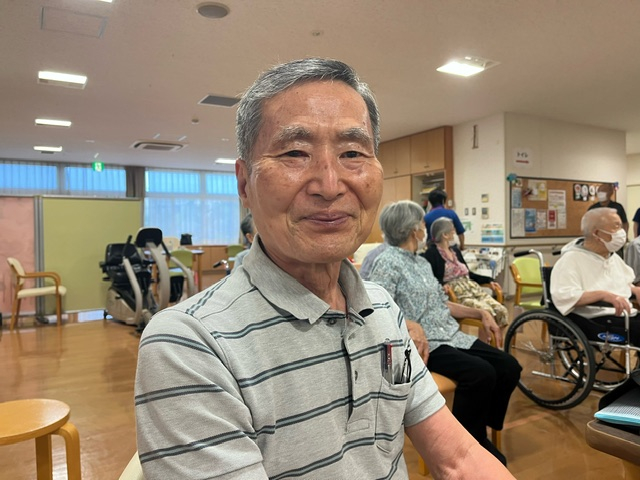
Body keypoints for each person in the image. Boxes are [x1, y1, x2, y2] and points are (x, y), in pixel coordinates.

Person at [134, 58, 514, 479]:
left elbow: (459, 458)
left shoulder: (384, 312)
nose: (330, 185)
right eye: (295, 153)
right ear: (244, 183)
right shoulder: (189, 345)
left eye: (352, 153)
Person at [367, 200, 521, 466]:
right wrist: (410, 325)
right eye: (421, 223)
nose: (424, 228)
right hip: (424, 344)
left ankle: (477, 430)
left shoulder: (422, 263)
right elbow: (378, 311)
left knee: (509, 366)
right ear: (412, 229)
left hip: (450, 334)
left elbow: (441, 303)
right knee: (480, 373)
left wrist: (479, 313)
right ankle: (465, 445)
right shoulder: (387, 262)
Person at [551, 208, 640, 345]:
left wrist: (634, 289)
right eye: (616, 226)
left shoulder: (611, 257)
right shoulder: (571, 260)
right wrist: (603, 295)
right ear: (597, 233)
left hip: (625, 314)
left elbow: (619, 281)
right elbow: (565, 296)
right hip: (595, 318)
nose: (622, 232)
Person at [422, 217, 509, 335]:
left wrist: (489, 280)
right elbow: (429, 277)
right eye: (452, 230)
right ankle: (485, 344)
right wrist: (442, 284)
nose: (454, 232)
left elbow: (469, 273)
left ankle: (495, 343)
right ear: (444, 235)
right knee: (487, 312)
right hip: (456, 294)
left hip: (472, 288)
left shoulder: (455, 251)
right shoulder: (431, 253)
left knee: (501, 311)